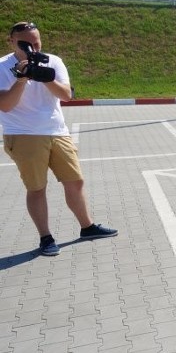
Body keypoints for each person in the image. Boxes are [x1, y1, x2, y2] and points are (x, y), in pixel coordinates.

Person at [0, 21, 118, 256]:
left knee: (75, 181)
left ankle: (87, 227)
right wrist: (22, 79)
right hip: (24, 134)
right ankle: (46, 238)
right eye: (26, 44)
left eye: (36, 42)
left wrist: (45, 77)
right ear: (12, 41)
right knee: (37, 188)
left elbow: (66, 95)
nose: (33, 47)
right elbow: (5, 105)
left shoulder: (53, 61)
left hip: (57, 131)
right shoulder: (3, 66)